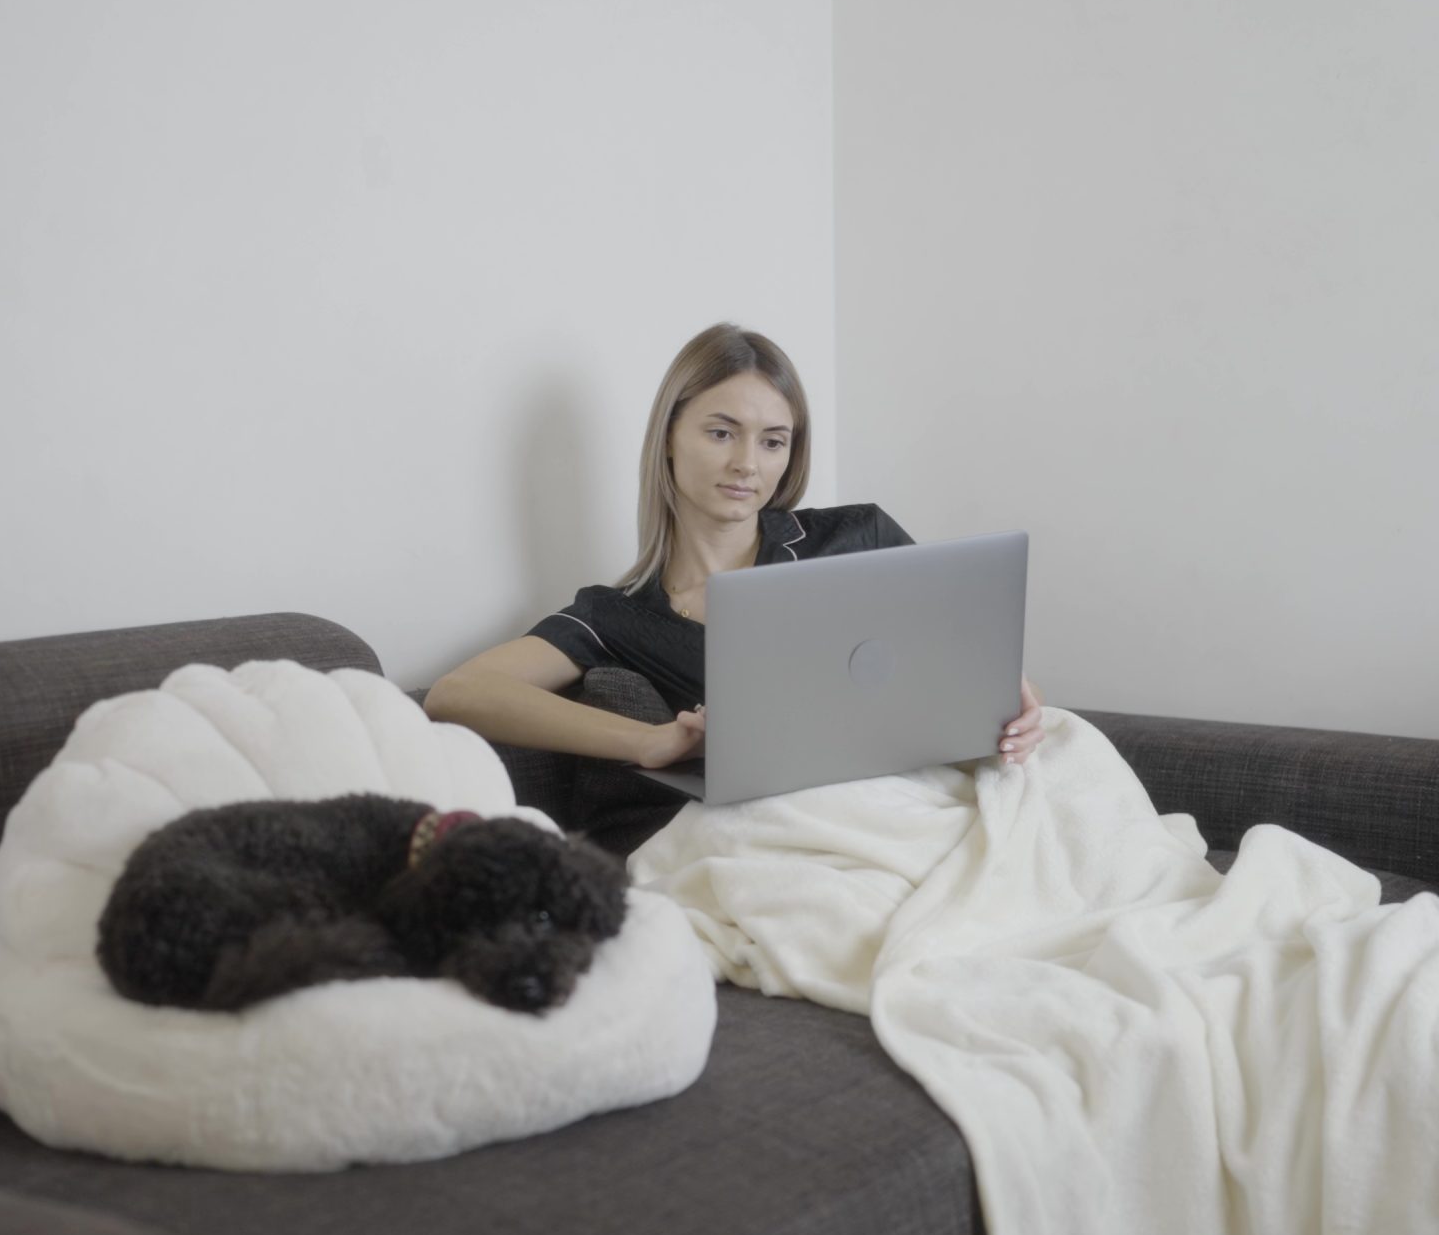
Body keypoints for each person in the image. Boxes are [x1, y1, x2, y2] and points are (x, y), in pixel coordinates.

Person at [424, 324, 1043, 850]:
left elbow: (964, 664)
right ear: (669, 436)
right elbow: (459, 693)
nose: (748, 463)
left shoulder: (861, 537)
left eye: (773, 441)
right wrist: (650, 740)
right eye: (722, 432)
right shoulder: (618, 616)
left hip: (928, 800)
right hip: (811, 833)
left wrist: (1014, 702)